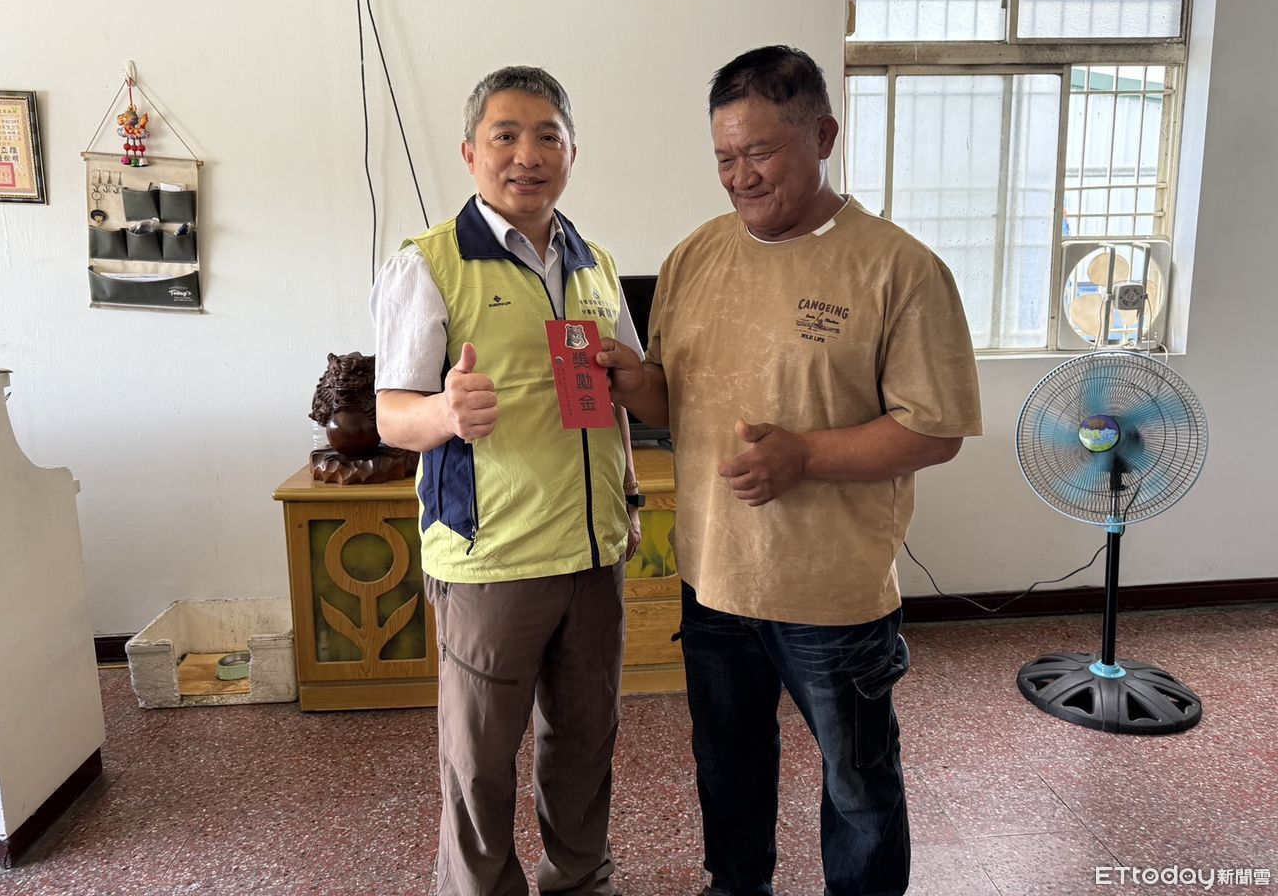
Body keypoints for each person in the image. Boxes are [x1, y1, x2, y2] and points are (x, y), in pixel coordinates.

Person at [598, 45, 983, 896]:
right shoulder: (696, 256)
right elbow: (678, 400)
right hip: (713, 579)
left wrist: (805, 454)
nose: (740, 176)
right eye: (724, 157)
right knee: (726, 768)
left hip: (831, 595)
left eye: (761, 152)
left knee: (858, 785)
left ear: (823, 136)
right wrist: (633, 384)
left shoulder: (898, 268)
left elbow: (935, 430)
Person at [371, 65, 645, 896]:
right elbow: (391, 417)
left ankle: (580, 876)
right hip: (490, 557)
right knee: (479, 759)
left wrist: (630, 497)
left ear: (572, 153)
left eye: (548, 136)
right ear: (470, 152)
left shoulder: (594, 265)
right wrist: (444, 412)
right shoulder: (429, 263)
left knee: (586, 740)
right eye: (506, 135)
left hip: (592, 552)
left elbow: (617, 392)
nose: (528, 155)